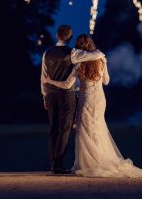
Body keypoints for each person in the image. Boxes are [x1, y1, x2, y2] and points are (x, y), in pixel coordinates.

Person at [43, 34, 142, 177]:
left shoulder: (78, 64)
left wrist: (50, 81)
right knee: (98, 128)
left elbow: (67, 85)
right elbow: (106, 81)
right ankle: (101, 159)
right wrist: (104, 64)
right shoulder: (101, 60)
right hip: (100, 99)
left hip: (86, 99)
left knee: (85, 131)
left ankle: (89, 163)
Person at [40, 25, 105, 174]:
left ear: (57, 35)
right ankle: (59, 165)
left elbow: (42, 77)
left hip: (50, 94)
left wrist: (44, 94)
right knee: (64, 129)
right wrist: (100, 54)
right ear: (69, 38)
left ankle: (53, 163)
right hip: (66, 95)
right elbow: (94, 55)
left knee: (53, 129)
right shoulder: (74, 53)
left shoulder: (46, 53)